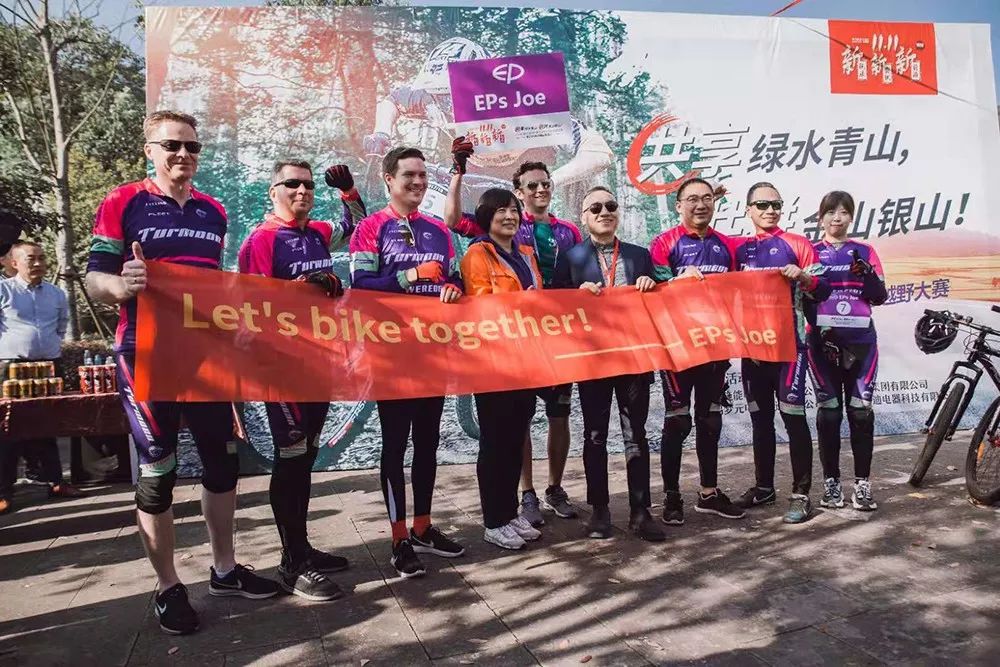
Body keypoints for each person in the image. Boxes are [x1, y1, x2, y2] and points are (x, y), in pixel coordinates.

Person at [85, 110, 278, 635]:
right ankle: (168, 586)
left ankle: (225, 571)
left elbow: (211, 287)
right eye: (172, 145)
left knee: (223, 463)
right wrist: (121, 286)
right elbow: (95, 280)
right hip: (144, 354)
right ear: (150, 150)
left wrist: (235, 321)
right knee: (158, 472)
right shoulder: (123, 200)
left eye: (192, 146)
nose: (183, 154)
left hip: (205, 357)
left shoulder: (214, 210)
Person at [238, 160, 365, 600]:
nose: (302, 190)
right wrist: (302, 285)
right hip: (282, 367)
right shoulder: (262, 239)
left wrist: (348, 192)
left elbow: (357, 227)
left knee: (307, 457)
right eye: (291, 183)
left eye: (308, 184)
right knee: (291, 459)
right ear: (273, 190)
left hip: (319, 360)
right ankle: (292, 563)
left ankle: (302, 547)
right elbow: (251, 303)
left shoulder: (317, 233)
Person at [444, 149, 581, 526]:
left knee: (558, 414)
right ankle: (527, 494)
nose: (540, 190)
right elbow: (453, 220)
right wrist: (458, 172)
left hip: (556, 339)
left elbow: (581, 275)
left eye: (545, 184)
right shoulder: (502, 228)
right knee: (517, 422)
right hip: (510, 345)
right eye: (531, 186)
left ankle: (555, 488)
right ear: (518, 192)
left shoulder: (569, 231)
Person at [349, 145, 465, 579]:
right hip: (391, 355)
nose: (418, 182)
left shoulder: (438, 230)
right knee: (395, 447)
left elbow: (455, 279)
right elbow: (361, 285)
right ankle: (398, 539)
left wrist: (454, 289)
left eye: (422, 175)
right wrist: (410, 276)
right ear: (389, 180)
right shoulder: (370, 228)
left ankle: (423, 527)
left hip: (432, 352)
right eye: (409, 176)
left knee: (428, 444)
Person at [552, 186, 666, 542]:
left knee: (636, 436)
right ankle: (599, 512)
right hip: (593, 360)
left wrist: (651, 284)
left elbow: (663, 299)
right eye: (595, 207)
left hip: (634, 359)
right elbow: (553, 307)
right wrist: (575, 297)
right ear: (584, 217)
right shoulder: (570, 259)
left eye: (611, 205)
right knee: (595, 436)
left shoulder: (639, 256)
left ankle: (641, 512)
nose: (604, 212)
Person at [732, 182, 831, 524]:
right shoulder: (739, 248)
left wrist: (804, 278)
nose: (770, 210)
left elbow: (823, 289)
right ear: (748, 209)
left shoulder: (798, 244)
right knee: (760, 420)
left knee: (793, 417)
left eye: (776, 204)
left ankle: (801, 494)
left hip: (790, 347)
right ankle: (764, 488)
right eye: (762, 204)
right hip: (752, 348)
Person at [649, 178, 745, 525]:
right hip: (677, 349)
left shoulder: (727, 245)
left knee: (709, 420)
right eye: (692, 199)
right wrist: (678, 280)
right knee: (677, 421)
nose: (700, 205)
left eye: (706, 198)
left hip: (715, 346)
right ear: (679, 206)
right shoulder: (664, 242)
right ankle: (672, 496)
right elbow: (655, 287)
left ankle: (708, 493)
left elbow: (740, 289)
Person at [459, 187, 544, 550]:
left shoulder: (525, 253)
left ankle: (510, 513)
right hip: (493, 362)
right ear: (486, 217)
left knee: (515, 437)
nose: (509, 216)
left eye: (513, 210)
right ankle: (493, 521)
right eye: (500, 211)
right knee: (494, 442)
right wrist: (523, 304)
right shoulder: (477, 254)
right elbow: (482, 307)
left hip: (527, 359)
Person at [807, 191, 887, 511]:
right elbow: (803, 298)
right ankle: (831, 484)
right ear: (820, 217)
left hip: (862, 343)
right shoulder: (810, 252)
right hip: (822, 344)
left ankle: (863, 485)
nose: (836, 217)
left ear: (851, 217)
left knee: (860, 413)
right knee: (829, 413)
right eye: (830, 212)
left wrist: (867, 274)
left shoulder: (865, 251)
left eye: (843, 212)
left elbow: (879, 296)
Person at [0, 241, 83, 515]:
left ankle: (56, 482)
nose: (38, 263)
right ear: (14, 263)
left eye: (41, 258)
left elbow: (61, 326)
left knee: (48, 423)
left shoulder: (56, 293)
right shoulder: (3, 290)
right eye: (30, 259)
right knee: (7, 428)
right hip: (10, 366)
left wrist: (48, 346)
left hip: (48, 364)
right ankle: (3, 491)